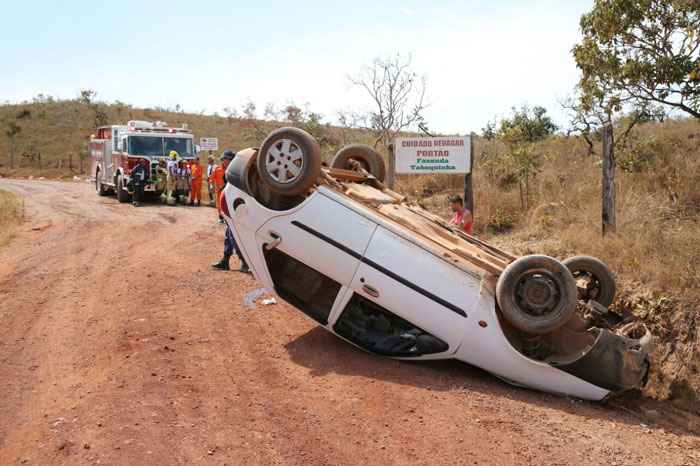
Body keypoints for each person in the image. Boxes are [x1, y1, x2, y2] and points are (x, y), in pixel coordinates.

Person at [212, 150, 249, 273]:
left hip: (236, 209)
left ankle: (244, 261)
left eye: (224, 160)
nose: (223, 162)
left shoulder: (237, 173)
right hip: (230, 209)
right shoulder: (229, 173)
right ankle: (225, 260)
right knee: (229, 235)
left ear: (230, 159)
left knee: (234, 236)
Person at [211, 151, 229, 223]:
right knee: (219, 203)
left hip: (227, 190)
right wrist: (212, 186)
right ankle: (220, 217)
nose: (223, 161)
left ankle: (226, 218)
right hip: (218, 189)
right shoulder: (217, 169)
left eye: (225, 159)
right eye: (222, 160)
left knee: (226, 203)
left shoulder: (229, 169)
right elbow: (212, 178)